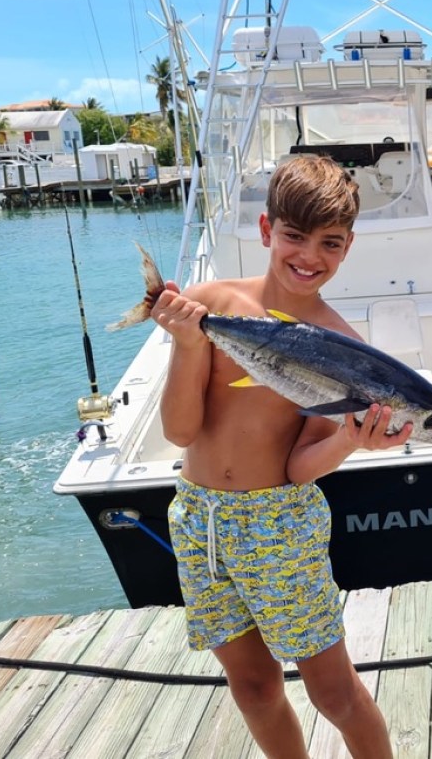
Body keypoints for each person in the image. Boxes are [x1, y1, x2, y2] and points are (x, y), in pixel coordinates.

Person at [149, 155, 403, 759]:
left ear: (347, 248)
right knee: (254, 687)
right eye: (294, 236)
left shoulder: (343, 347)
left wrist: (349, 440)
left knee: (334, 695)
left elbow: (297, 467)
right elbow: (180, 432)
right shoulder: (213, 304)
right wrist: (188, 342)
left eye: (329, 243)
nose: (309, 256)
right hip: (198, 521)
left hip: (280, 524)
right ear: (266, 231)